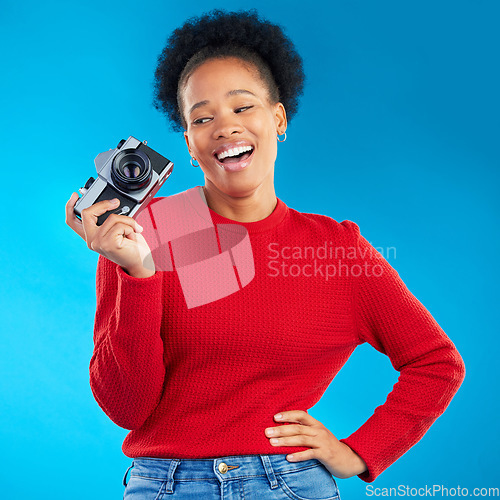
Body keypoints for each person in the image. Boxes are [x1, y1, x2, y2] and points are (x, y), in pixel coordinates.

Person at [65, 9, 466, 499]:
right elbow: (127, 408)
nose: (224, 128)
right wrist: (137, 271)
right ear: (189, 144)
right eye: (202, 117)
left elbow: (436, 361)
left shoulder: (334, 248)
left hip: (289, 484)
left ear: (277, 118)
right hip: (165, 485)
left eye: (242, 107)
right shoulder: (143, 230)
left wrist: (360, 452)